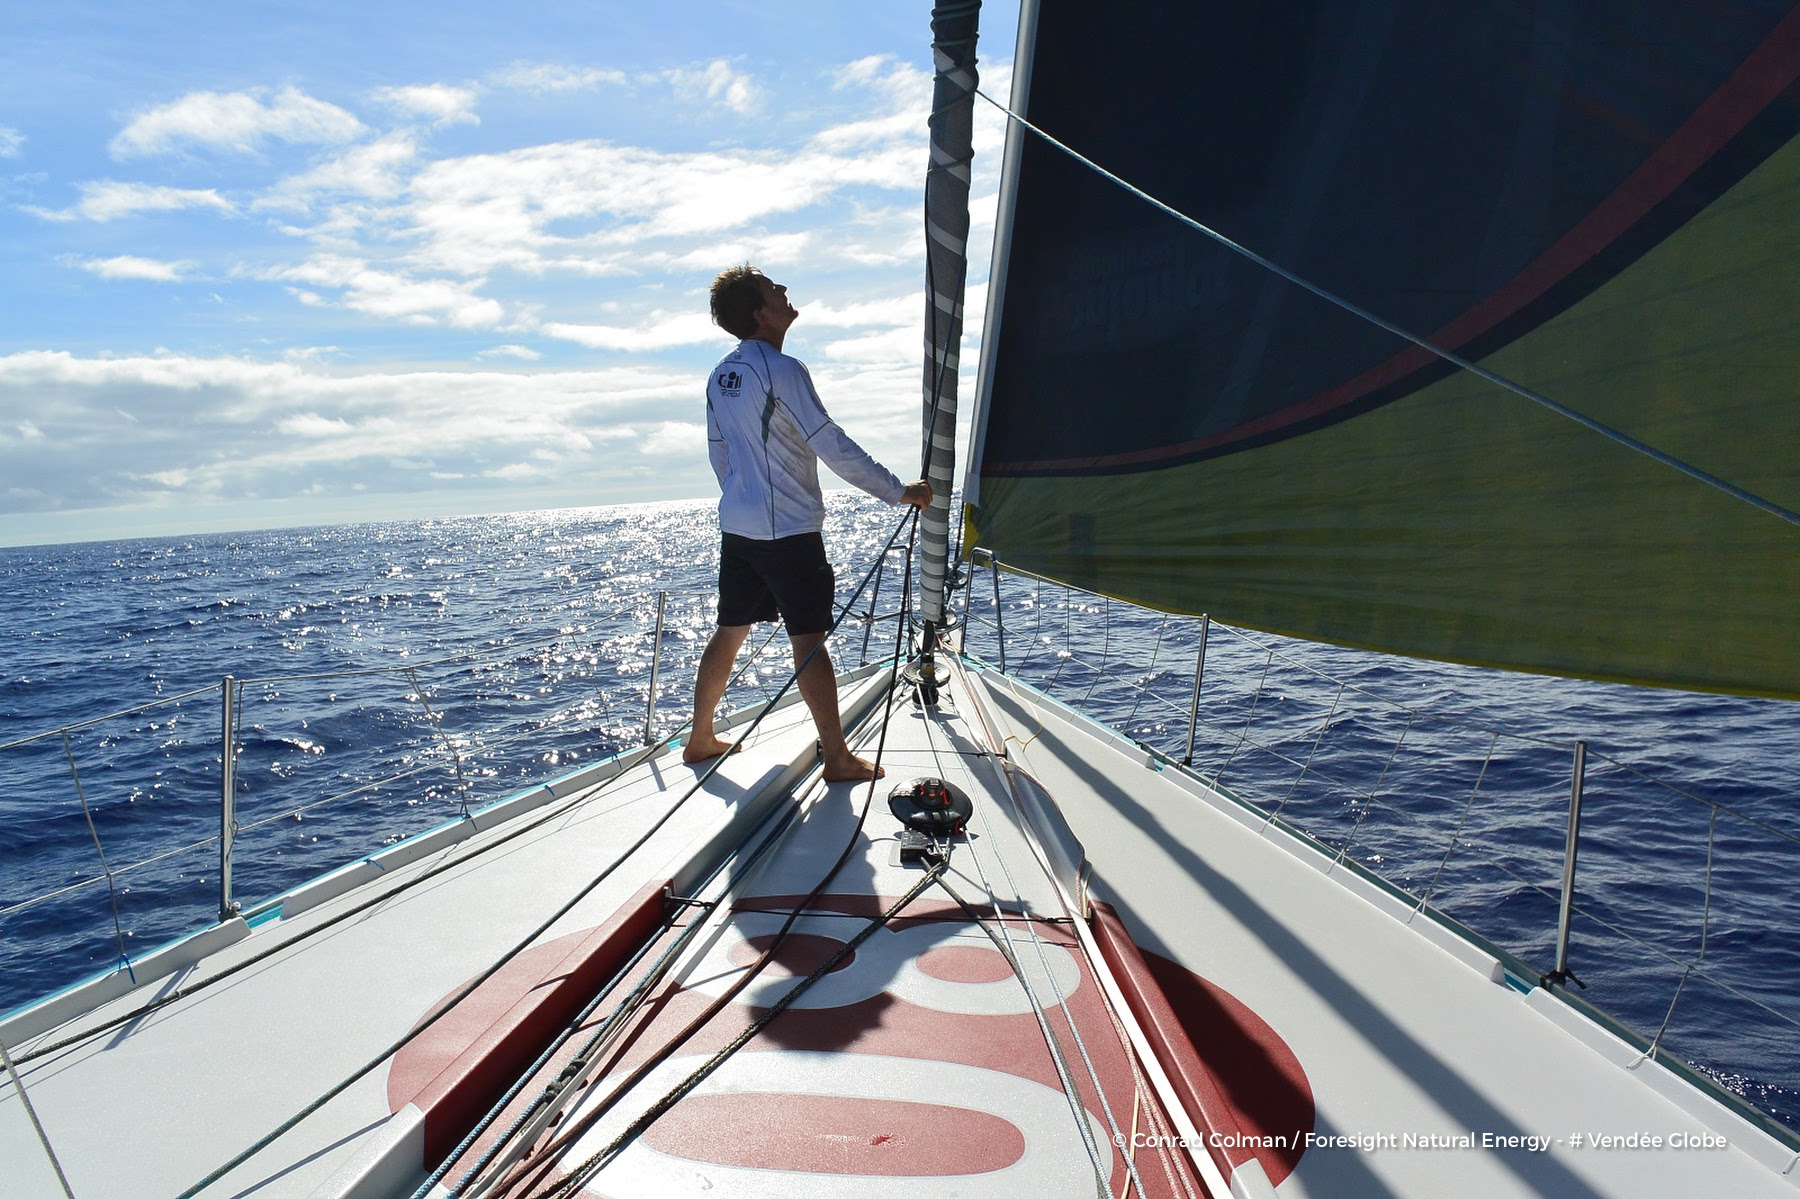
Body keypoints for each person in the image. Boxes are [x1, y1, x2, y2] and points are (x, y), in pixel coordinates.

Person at [685, 265, 932, 781]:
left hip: (740, 526)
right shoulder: (783, 369)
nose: (784, 292)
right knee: (810, 639)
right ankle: (838, 758)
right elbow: (830, 442)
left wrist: (744, 498)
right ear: (759, 313)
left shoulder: (719, 375)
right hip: (788, 531)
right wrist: (898, 491)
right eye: (775, 290)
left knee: (730, 629)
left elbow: (719, 453)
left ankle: (700, 737)